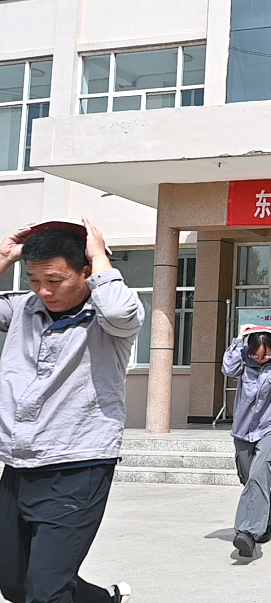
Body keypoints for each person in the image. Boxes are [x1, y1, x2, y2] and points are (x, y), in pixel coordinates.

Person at [0, 220, 143, 603]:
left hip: (77, 466)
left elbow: (119, 307)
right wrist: (2, 257)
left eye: (55, 280)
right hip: (18, 465)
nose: (43, 291)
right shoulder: (23, 308)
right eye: (34, 280)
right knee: (15, 584)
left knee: (46, 592)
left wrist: (98, 254)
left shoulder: (110, 318)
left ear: (85, 272)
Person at [222, 323, 271, 558]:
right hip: (244, 429)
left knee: (258, 474)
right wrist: (239, 338)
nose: (261, 359)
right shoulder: (243, 357)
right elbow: (228, 368)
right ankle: (268, 516)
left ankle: (247, 533)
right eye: (256, 355)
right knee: (248, 477)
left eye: (266, 355)